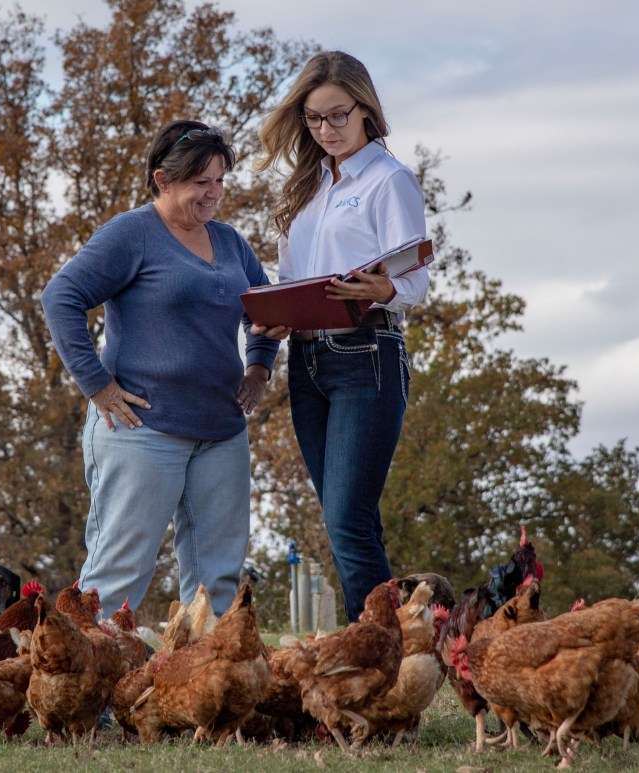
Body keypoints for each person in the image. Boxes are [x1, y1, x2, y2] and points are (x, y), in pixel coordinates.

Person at [41, 120, 280, 617]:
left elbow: (267, 310)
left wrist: (259, 370)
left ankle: (207, 691)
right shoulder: (132, 234)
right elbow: (61, 296)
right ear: (162, 180)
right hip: (140, 429)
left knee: (218, 581)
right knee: (118, 576)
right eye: (201, 182)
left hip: (221, 433)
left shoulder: (231, 241)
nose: (214, 193)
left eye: (219, 180)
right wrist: (97, 385)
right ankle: (84, 692)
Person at [252, 51, 429, 622]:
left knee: (348, 519)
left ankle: (372, 659)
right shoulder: (305, 189)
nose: (325, 130)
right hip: (306, 361)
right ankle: (386, 652)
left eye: (337, 116)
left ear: (366, 111)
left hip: (366, 356)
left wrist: (380, 289)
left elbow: (415, 281)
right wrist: (278, 314)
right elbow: (295, 278)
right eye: (312, 119)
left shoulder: (388, 179)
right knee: (343, 519)